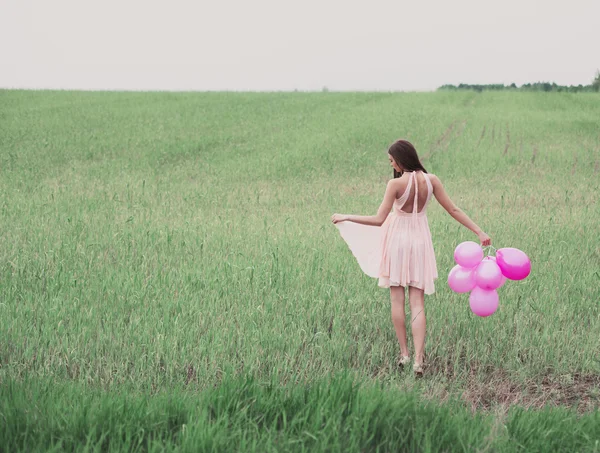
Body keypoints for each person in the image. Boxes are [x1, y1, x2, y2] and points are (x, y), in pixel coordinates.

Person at [331, 139, 491, 376]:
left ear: (400, 159)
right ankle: (418, 360)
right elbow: (453, 210)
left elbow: (378, 219)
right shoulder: (432, 180)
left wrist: (346, 216)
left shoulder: (395, 184)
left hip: (397, 243)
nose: (391, 164)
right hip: (420, 243)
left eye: (391, 160)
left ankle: (404, 354)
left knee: (397, 300)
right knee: (417, 302)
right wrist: (479, 231)